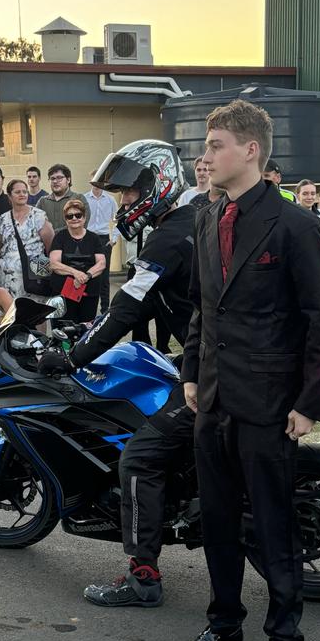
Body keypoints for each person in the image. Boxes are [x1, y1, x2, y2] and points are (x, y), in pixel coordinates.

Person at [174, 98, 320, 641]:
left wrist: (308, 401)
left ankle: (285, 640)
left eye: (215, 144)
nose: (206, 155)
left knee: (272, 527)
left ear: (250, 150)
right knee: (217, 522)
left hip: (270, 402)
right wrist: (191, 372)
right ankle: (223, 625)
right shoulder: (205, 217)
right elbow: (203, 305)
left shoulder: (295, 224)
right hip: (212, 398)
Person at [38, 139, 195, 608]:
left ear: (157, 184)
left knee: (140, 458)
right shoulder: (190, 221)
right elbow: (131, 306)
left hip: (218, 364)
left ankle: (143, 577)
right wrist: (91, 329)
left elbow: (126, 306)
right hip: (213, 352)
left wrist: (72, 357)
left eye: (129, 193)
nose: (124, 202)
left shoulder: (171, 236)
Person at [0, 179, 54, 300]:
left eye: (25, 191)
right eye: (18, 192)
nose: (22, 194)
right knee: (12, 311)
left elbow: (50, 244)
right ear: (9, 196)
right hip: (8, 278)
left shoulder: (38, 215)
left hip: (33, 276)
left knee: (34, 311)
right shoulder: (3, 218)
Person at [49, 199, 106, 322]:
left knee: (86, 328)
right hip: (63, 292)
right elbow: (54, 263)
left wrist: (86, 276)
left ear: (84, 218)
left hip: (89, 291)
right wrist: (75, 273)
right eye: (70, 216)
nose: (74, 218)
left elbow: (101, 263)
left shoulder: (94, 238)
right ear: (66, 219)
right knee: (63, 329)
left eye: (78, 215)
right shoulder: (60, 237)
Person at [84, 173, 119, 313]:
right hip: (88, 238)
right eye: (95, 180)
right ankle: (87, 307)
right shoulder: (84, 199)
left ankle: (105, 309)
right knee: (86, 272)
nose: (97, 183)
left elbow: (118, 220)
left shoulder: (110, 200)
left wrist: (114, 239)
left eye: (100, 181)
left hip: (104, 240)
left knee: (104, 278)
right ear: (91, 181)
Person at [37, 164, 90, 232]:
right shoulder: (42, 201)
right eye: (52, 178)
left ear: (68, 180)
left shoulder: (79, 198)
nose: (55, 181)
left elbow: (82, 224)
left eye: (59, 178)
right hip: (47, 242)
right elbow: (35, 224)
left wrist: (53, 234)